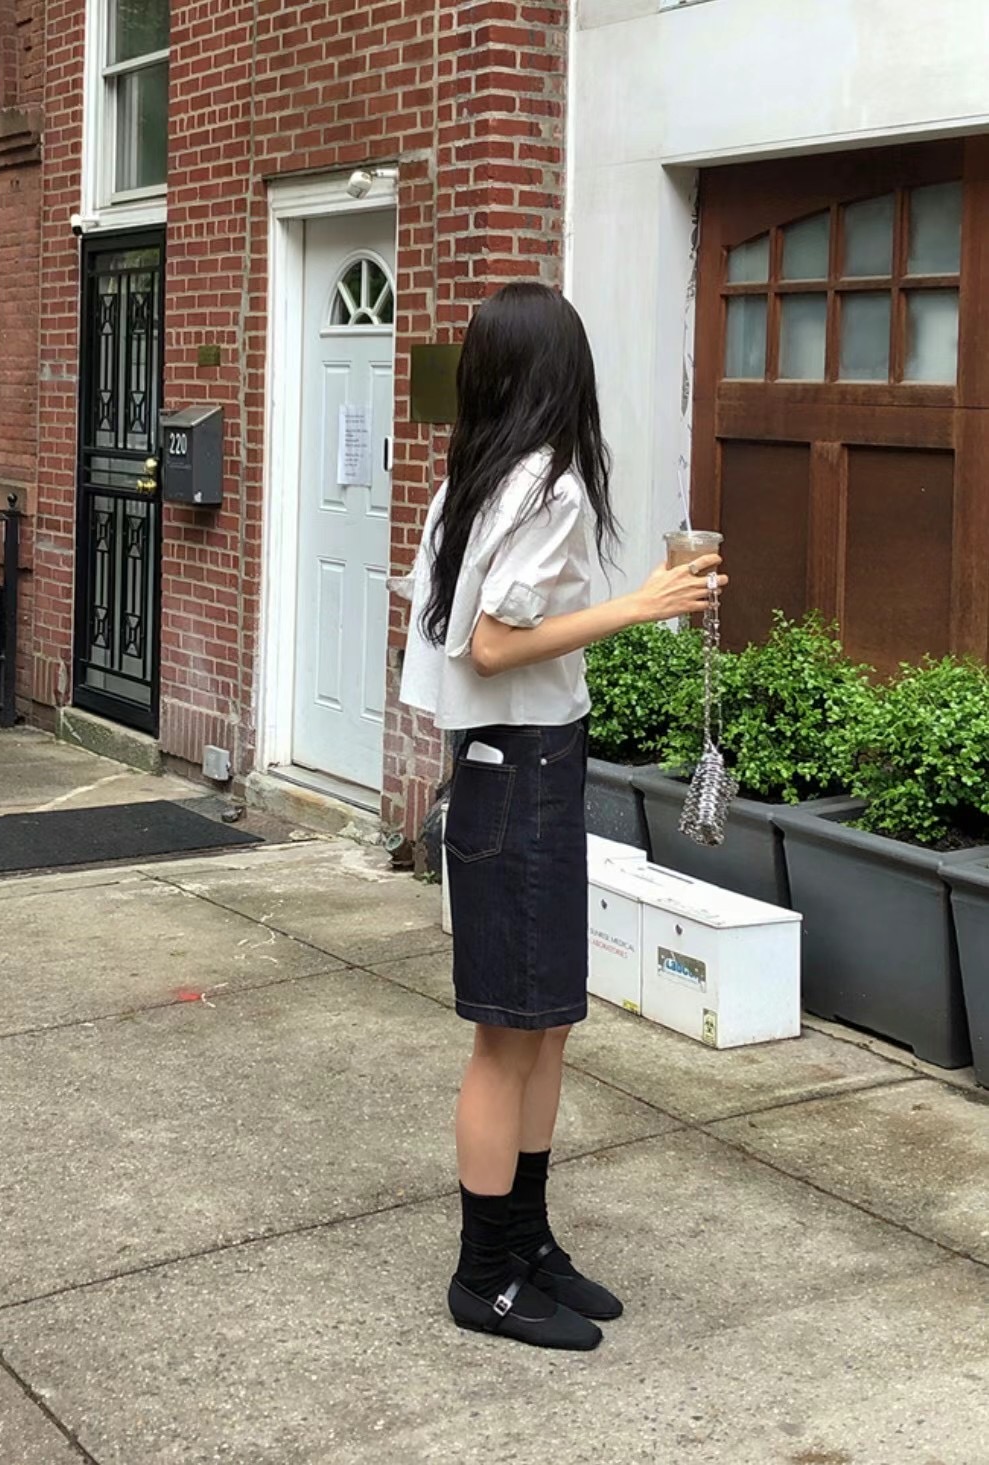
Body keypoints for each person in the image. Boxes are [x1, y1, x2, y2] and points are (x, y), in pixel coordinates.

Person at [398, 282, 726, 1352]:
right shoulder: (547, 485)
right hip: (522, 768)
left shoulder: (479, 477)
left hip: (509, 766)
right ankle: (482, 1273)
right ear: (561, 373)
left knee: (544, 1022)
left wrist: (634, 595)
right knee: (509, 1034)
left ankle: (526, 1240)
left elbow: (470, 631)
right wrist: (642, 606)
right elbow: (492, 645)